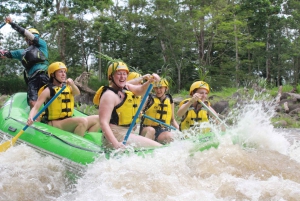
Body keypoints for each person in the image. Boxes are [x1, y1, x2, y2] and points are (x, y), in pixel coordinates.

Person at [93, 61, 162, 149]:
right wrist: (116, 144)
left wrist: (150, 82)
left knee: (154, 146)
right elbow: (103, 123)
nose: (122, 77)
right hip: (116, 135)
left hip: (128, 133)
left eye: (124, 74)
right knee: (158, 147)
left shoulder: (127, 87)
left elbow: (140, 90)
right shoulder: (109, 95)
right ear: (111, 76)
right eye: (119, 74)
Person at [27, 62, 100, 137]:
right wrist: (30, 117)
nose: (63, 74)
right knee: (82, 121)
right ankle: (76, 144)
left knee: (98, 119)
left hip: (68, 120)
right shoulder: (48, 90)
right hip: (55, 123)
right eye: (60, 72)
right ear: (52, 75)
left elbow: (77, 93)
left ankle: (87, 141)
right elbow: (36, 107)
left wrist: (72, 84)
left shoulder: (68, 87)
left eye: (64, 72)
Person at [0, 16, 49, 108]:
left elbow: (27, 34)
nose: (28, 39)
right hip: (32, 79)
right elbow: (4, 53)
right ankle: (35, 118)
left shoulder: (42, 45)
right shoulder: (21, 52)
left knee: (49, 98)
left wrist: (11, 23)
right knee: (32, 103)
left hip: (45, 76)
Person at [140, 78, 179, 143]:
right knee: (151, 130)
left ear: (166, 88)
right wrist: (140, 113)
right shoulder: (149, 99)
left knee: (169, 136)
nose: (158, 90)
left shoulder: (170, 101)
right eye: (156, 88)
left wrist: (180, 130)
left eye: (160, 88)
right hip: (147, 129)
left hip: (162, 131)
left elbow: (172, 120)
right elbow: (139, 112)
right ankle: (144, 147)